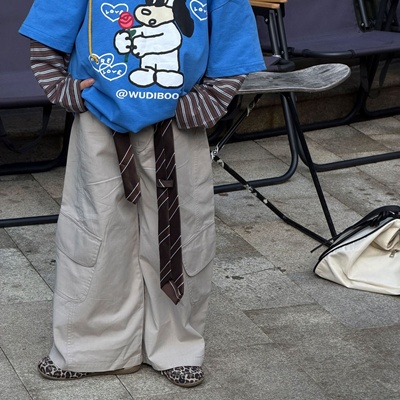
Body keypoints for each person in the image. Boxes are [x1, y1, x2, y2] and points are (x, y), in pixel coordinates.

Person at [19, 0, 265, 387]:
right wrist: (63, 89)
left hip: (178, 123)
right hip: (100, 116)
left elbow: (234, 39)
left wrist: (207, 101)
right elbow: (48, 30)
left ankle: (175, 345)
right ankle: (88, 346)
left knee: (181, 231)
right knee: (96, 229)